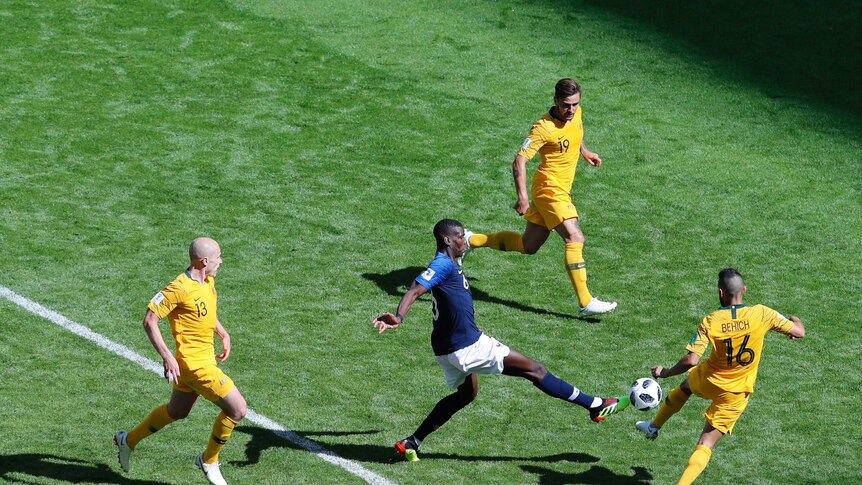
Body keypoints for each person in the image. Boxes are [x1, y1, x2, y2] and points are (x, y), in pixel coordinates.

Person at [373, 219, 626, 462]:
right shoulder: (442, 265)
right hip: (468, 346)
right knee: (535, 370)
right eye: (461, 236)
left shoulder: (451, 261)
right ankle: (594, 405)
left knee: (465, 395)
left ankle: (412, 442)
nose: (465, 239)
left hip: (445, 349)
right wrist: (399, 316)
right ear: (447, 239)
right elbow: (416, 288)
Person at [634, 268, 805, 485]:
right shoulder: (762, 313)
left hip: (709, 379)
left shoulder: (712, 320)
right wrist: (795, 320)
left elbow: (691, 361)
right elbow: (799, 332)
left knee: (686, 386)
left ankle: (653, 426)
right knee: (706, 442)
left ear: (721, 293)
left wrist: (665, 372)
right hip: (736, 392)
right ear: (744, 290)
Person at [464, 78, 616, 316]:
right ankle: (585, 301)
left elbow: (576, 132)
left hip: (560, 189)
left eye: (575, 104)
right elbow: (520, 160)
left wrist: (585, 151)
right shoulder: (542, 128)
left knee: (528, 245)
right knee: (575, 236)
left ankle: (471, 240)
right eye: (566, 105)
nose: (571, 110)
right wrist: (522, 197)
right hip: (549, 189)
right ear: (555, 100)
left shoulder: (575, 114)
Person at [114, 237, 248, 485]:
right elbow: (149, 321)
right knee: (237, 410)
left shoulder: (208, 280)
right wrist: (167, 356)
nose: (221, 261)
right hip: (195, 366)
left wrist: (222, 331)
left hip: (198, 363)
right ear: (204, 260)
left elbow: (204, 311)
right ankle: (209, 460)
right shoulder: (178, 288)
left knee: (177, 411)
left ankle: (128, 440)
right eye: (218, 256)